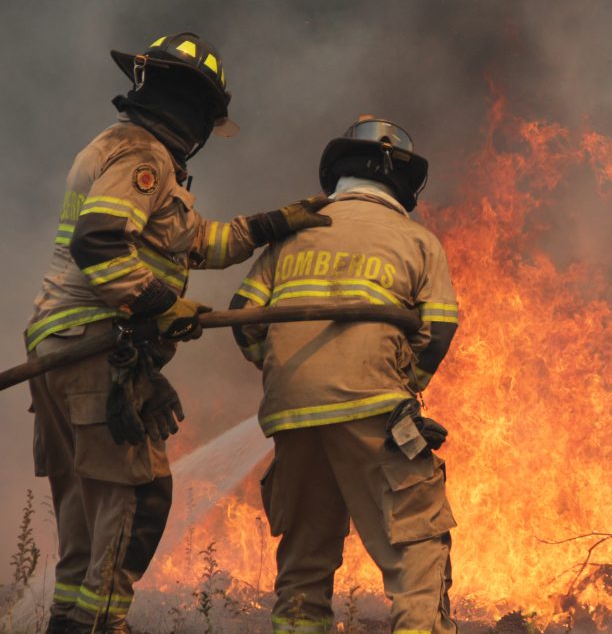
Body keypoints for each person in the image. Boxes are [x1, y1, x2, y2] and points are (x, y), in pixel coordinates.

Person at [26, 32, 332, 634]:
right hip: (94, 346)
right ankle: (94, 626)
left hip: (61, 345)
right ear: (192, 109)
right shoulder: (145, 157)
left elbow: (200, 242)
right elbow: (99, 243)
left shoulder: (122, 150)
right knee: (137, 498)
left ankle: (68, 618)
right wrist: (161, 306)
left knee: (89, 501)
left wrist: (273, 224)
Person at [230, 117, 460, 633]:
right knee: (416, 544)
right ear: (401, 183)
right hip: (372, 408)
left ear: (336, 173)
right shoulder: (415, 240)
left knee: (305, 558)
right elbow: (439, 328)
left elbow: (244, 322)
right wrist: (408, 386)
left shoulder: (289, 240)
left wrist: (286, 373)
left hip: (293, 413)